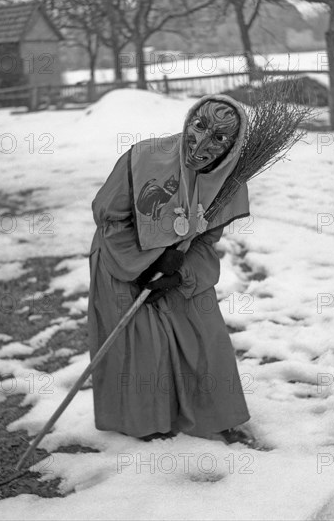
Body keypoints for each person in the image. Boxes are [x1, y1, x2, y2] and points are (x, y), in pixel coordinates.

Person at [87, 94, 251, 442]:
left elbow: (205, 241)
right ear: (189, 120)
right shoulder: (143, 158)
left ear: (232, 148)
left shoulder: (228, 182)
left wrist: (180, 274)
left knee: (205, 333)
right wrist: (146, 265)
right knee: (146, 343)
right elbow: (109, 219)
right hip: (122, 258)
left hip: (179, 263)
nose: (203, 141)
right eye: (200, 125)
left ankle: (215, 416)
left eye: (219, 138)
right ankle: (147, 422)